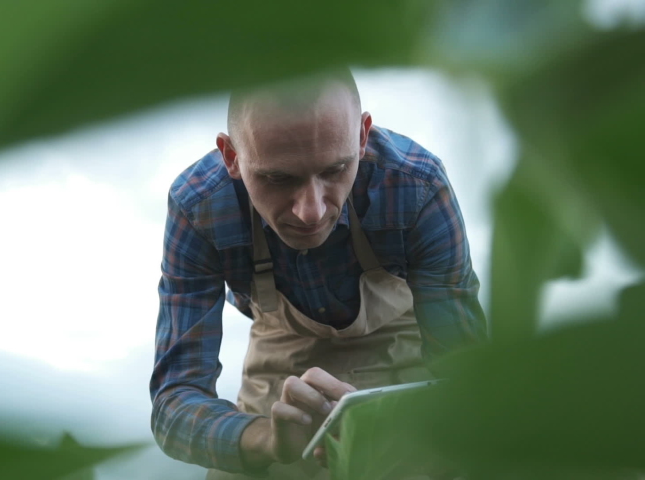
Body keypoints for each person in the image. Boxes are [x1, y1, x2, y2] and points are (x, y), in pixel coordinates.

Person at [150, 67, 487, 479]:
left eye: (334, 170)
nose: (311, 211)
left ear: (362, 137)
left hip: (404, 346)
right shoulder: (199, 207)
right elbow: (174, 404)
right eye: (277, 178)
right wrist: (264, 438)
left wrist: (418, 430)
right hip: (280, 363)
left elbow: (466, 369)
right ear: (232, 157)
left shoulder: (415, 186)